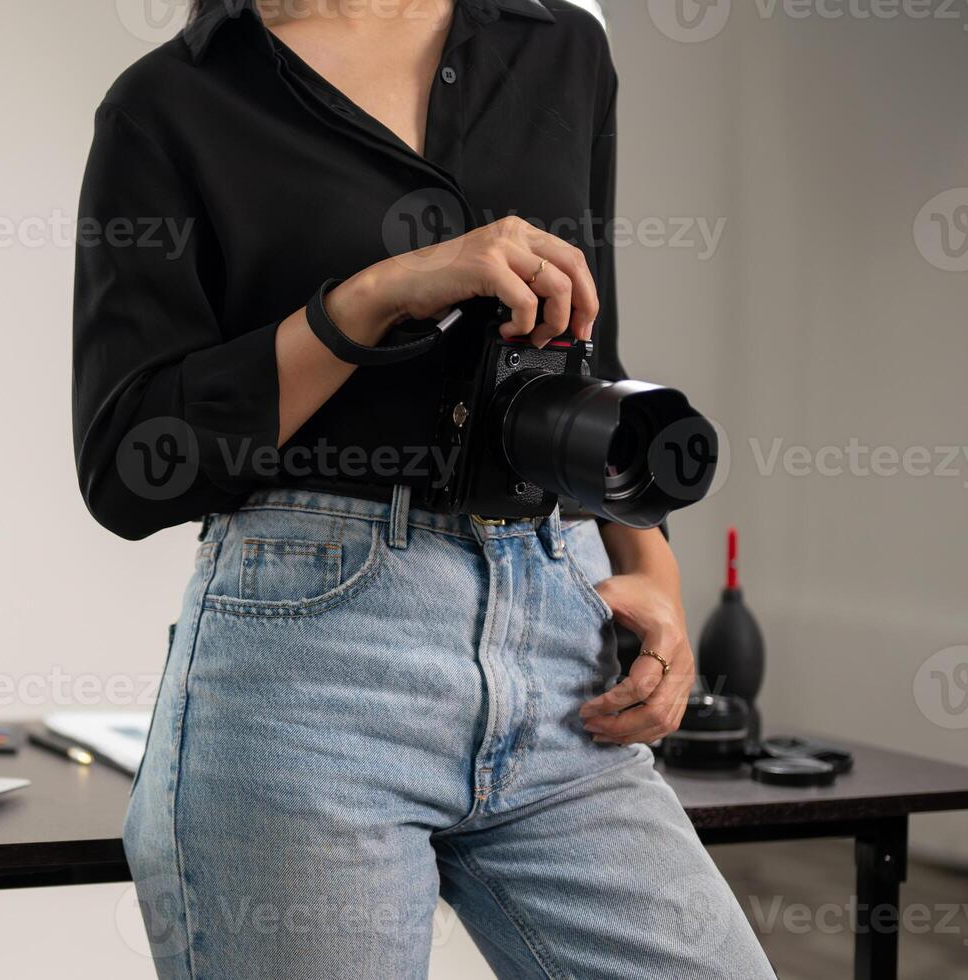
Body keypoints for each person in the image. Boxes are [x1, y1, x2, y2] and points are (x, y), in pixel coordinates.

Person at [71, 1, 776, 976]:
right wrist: (371, 298)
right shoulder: (169, 103)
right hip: (307, 674)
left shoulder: (561, 48)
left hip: (558, 657)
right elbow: (126, 461)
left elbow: (581, 349)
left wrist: (647, 565)